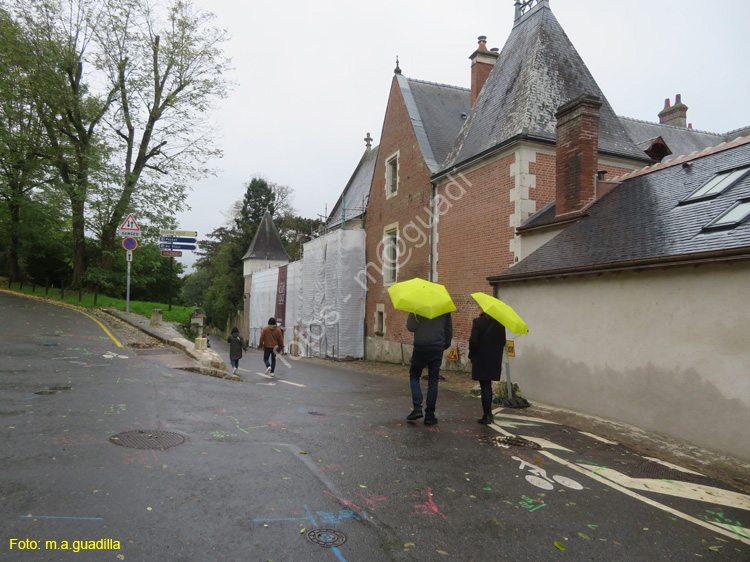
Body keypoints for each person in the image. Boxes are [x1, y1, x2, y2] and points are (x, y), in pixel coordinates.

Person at [406, 311, 453, 426]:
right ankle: (430, 415)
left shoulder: (418, 306)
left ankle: (417, 408)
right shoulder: (444, 308)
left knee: (414, 375)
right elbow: (448, 331)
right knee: (433, 380)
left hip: (421, 346)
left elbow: (410, 327)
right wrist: (443, 345)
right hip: (437, 347)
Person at [468, 311, 507, 424]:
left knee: (484, 385)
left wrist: (472, 354)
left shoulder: (478, 321)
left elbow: (473, 340)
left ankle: (487, 415)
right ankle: (489, 414)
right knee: (488, 385)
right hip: (494, 358)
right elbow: (503, 341)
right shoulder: (500, 323)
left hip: (481, 357)